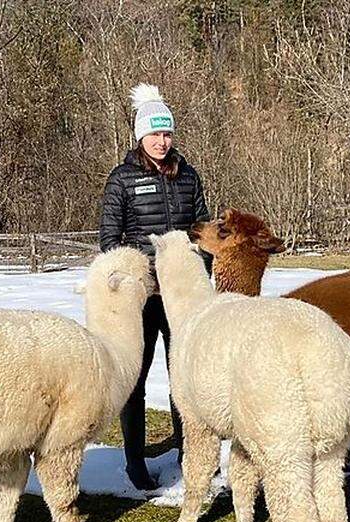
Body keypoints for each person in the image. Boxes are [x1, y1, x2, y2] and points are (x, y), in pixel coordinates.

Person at [98, 83, 210, 490]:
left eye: (166, 134)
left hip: (180, 296)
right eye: (153, 134)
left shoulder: (189, 176)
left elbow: (201, 231)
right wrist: (137, 275)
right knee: (137, 378)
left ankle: (189, 450)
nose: (161, 142)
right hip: (141, 297)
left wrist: (200, 274)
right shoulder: (122, 180)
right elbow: (110, 240)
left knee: (184, 374)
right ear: (140, 137)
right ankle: (135, 461)